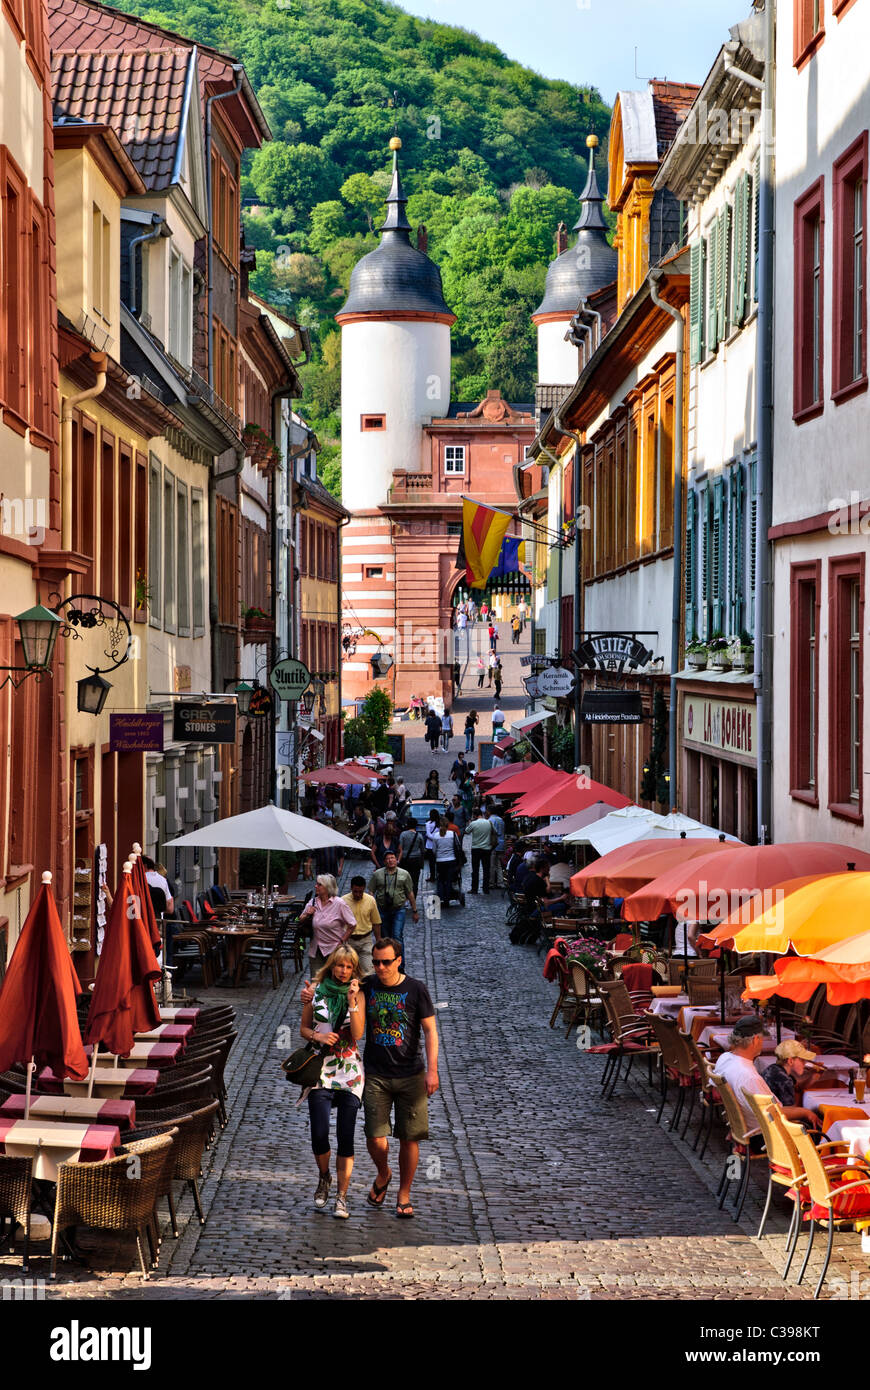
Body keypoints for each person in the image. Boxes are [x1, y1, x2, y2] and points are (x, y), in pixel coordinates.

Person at [299, 944, 367, 1219]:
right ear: (332, 965)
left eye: (349, 967)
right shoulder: (315, 991)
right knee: (319, 1134)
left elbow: (359, 1033)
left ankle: (342, 1196)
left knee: (346, 1137)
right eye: (340, 965)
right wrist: (318, 1037)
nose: (343, 970)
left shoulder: (358, 994)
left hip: (350, 1072)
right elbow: (304, 1028)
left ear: (354, 970)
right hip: (322, 1071)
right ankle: (324, 1176)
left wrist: (352, 1002)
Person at [715, 1017, 821, 1134]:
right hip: (764, 1134)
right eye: (762, 1039)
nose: (762, 1042)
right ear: (755, 1040)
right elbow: (775, 1112)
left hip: (745, 1128)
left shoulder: (725, 1058)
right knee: (817, 1129)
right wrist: (806, 1112)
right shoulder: (749, 1076)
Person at [299, 875, 357, 971]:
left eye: (319, 884)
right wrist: (306, 914)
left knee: (333, 981)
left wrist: (342, 941)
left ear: (327, 887)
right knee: (315, 982)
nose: (316, 886)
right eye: (316, 884)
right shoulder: (313, 902)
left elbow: (352, 924)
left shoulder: (339, 904)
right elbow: (298, 919)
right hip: (316, 949)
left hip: (334, 950)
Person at [763, 1039, 839, 1106]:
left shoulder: (774, 1068)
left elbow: (797, 1088)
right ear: (791, 1061)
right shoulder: (785, 1080)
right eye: (802, 1060)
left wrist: (814, 1076)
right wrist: (807, 1112)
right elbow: (790, 1110)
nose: (805, 1063)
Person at [367, 851, 418, 950]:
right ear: (384, 861)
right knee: (385, 937)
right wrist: (372, 909)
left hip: (399, 909)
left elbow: (410, 893)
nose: (390, 860)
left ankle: (400, 963)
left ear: (396, 860)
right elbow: (371, 891)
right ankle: (388, 959)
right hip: (382, 909)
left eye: (392, 858)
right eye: (388, 859)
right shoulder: (377, 874)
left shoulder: (404, 874)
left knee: (397, 935)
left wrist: (414, 910)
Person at [341, 876, 382, 977]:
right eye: (355, 891)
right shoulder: (343, 901)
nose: (358, 894)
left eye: (361, 892)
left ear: (364, 889)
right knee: (348, 971)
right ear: (351, 888)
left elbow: (376, 922)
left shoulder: (370, 900)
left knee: (369, 971)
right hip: (349, 941)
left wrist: (378, 941)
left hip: (366, 940)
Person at [434, 814, 464, 908]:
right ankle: (447, 898)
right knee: (449, 880)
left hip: (440, 861)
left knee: (441, 880)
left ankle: (441, 897)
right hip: (451, 860)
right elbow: (458, 847)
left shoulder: (436, 836)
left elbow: (434, 850)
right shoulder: (452, 834)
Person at [467, 807, 497, 895]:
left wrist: (470, 823)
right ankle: (486, 889)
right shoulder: (489, 822)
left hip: (476, 848)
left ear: (475, 815)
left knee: (475, 870)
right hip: (487, 849)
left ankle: (474, 889)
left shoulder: (473, 823)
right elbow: (495, 831)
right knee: (486, 869)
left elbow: (466, 831)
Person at [398, 819, 426, 895]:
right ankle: (413, 898)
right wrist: (422, 863)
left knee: (404, 879)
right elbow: (422, 850)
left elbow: (400, 848)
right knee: (415, 880)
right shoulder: (419, 836)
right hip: (416, 860)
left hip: (405, 859)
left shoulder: (403, 834)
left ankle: (405, 897)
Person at [488, 805, 506, 887]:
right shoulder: (501, 820)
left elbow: (490, 832)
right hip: (501, 844)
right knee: (499, 865)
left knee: (492, 864)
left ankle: (491, 882)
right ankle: (500, 882)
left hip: (494, 844)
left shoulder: (491, 819)